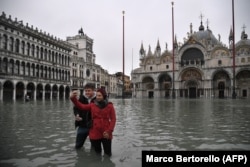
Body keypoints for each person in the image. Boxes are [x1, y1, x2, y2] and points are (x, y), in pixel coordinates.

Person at [70, 88, 116, 156]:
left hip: (106, 132)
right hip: (95, 133)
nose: (98, 97)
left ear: (104, 96)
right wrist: (73, 99)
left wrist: (109, 131)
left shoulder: (110, 106)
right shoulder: (92, 105)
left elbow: (113, 119)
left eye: (100, 95)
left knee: (108, 153)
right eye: (97, 95)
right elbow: (81, 106)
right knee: (97, 153)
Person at [73, 83, 96, 149]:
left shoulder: (97, 98)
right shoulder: (81, 98)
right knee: (78, 146)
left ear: (93, 90)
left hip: (93, 126)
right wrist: (76, 115)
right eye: (86, 91)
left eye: (89, 91)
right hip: (82, 124)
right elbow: (75, 108)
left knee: (94, 147)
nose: (87, 92)